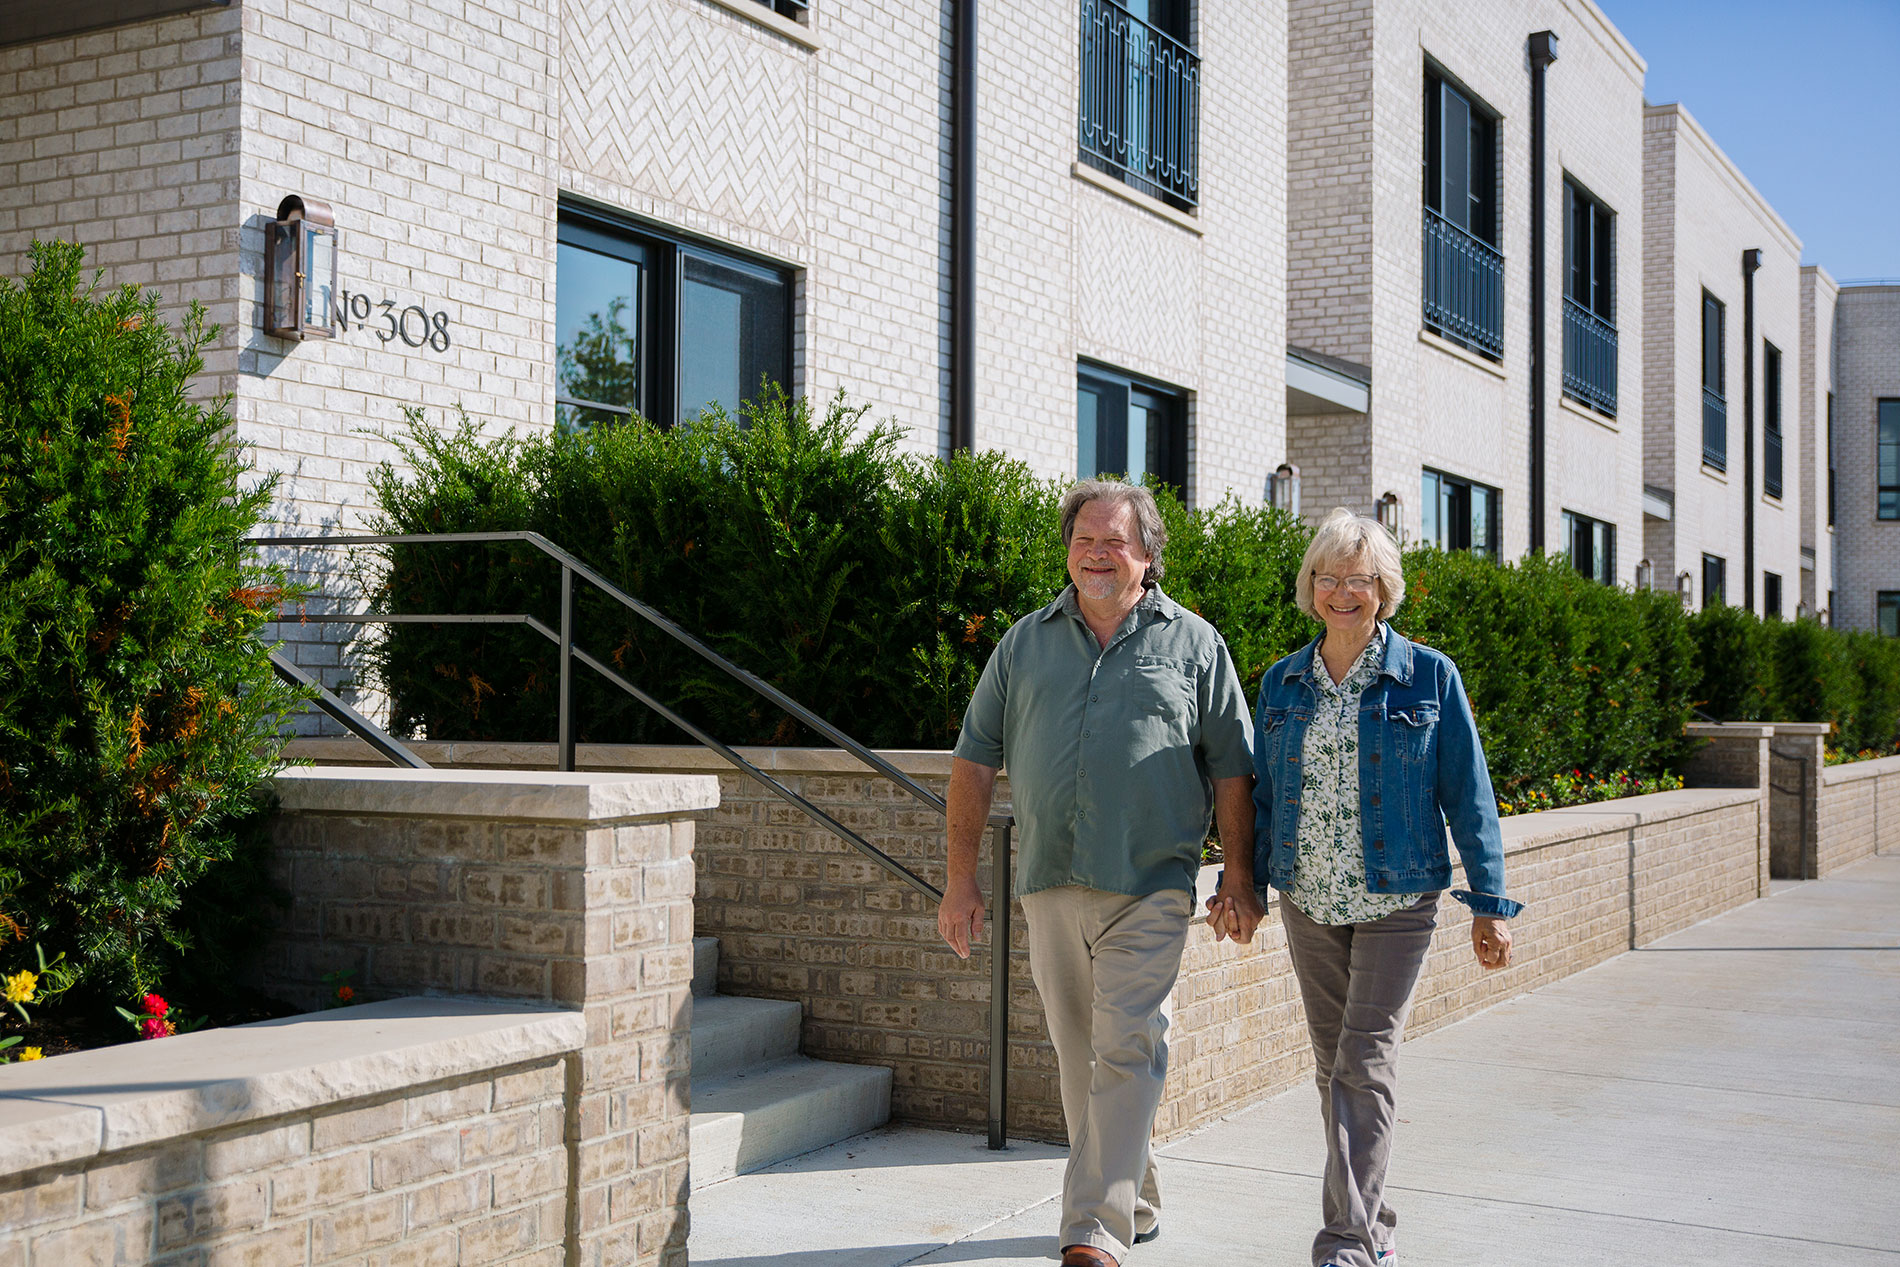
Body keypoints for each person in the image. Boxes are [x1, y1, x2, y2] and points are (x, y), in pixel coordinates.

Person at [938, 479, 1260, 1267]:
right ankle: (1136, 1198)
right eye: (1084, 538)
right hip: (1050, 879)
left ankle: (1092, 1231)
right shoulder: (1024, 643)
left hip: (1151, 880)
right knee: (1080, 1054)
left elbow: (1233, 771)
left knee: (1129, 1046)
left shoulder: (1195, 644)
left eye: (1114, 540)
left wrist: (1240, 877)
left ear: (1148, 555)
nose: (1096, 553)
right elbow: (975, 759)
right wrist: (959, 879)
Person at [1213, 506, 1522, 1267]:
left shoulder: (1428, 675)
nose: (1342, 591)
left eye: (1359, 579)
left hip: (1397, 897)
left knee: (1364, 1057)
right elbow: (1260, 797)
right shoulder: (1283, 681)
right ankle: (1372, 1218)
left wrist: (1490, 903)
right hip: (1310, 899)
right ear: (1310, 585)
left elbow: (1469, 795)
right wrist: (1241, 883)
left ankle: (1345, 1241)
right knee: (1335, 1066)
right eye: (1328, 576)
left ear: (1384, 589)